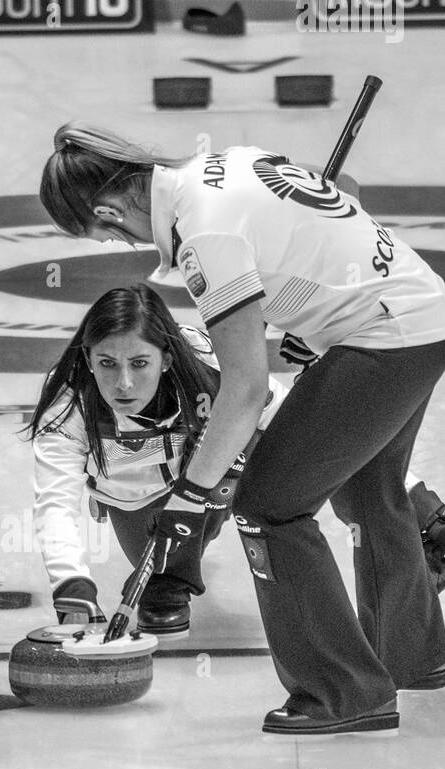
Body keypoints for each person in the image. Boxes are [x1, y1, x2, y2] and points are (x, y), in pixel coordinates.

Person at [38, 125, 445, 734]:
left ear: (109, 208)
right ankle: (414, 656)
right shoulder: (226, 165)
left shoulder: (205, 237)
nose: (116, 241)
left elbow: (248, 389)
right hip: (418, 313)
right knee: (367, 489)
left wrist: (190, 496)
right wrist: (317, 309)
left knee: (268, 506)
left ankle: (341, 692)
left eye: (106, 233)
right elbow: (341, 200)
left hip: (385, 337)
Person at [29, 284, 445, 637]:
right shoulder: (67, 400)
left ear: (167, 358)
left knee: (293, 449)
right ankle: (167, 577)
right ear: (87, 360)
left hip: (223, 470)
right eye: (107, 363)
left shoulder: (209, 364)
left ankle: (424, 526)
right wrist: (72, 583)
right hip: (137, 501)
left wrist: (417, 501)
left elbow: (319, 436)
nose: (123, 382)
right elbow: (55, 500)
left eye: (139, 363)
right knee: (156, 560)